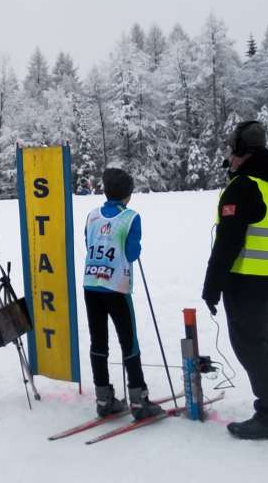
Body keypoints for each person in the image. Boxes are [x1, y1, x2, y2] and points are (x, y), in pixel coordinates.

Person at [202, 120, 268, 440]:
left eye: (231, 151)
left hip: (250, 282)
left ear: (239, 150)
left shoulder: (244, 187)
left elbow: (228, 243)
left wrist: (212, 287)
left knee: (251, 344)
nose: (228, 159)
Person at [82, 167, 164, 420]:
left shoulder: (92, 215)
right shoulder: (130, 217)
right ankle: (139, 400)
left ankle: (103, 398)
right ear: (128, 194)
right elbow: (131, 254)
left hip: (91, 285)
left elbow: (88, 243)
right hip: (116, 286)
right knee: (129, 341)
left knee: (98, 342)